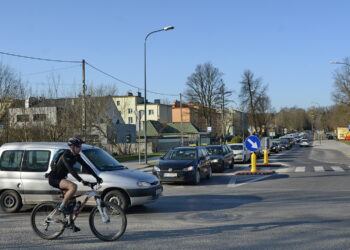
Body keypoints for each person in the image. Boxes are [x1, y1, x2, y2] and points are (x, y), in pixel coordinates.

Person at [47, 137, 103, 227]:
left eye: (80, 146)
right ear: (72, 147)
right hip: (54, 179)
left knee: (73, 201)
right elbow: (71, 170)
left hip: (62, 179)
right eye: (78, 146)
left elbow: (87, 167)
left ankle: (70, 223)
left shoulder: (76, 156)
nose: (80, 148)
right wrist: (81, 180)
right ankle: (62, 207)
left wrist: (97, 177)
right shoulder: (65, 156)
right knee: (73, 187)